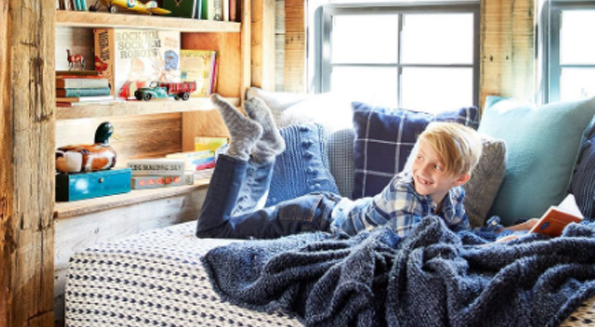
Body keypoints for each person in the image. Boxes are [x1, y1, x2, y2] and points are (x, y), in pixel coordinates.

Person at [196, 94, 487, 241]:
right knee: (213, 231)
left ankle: (266, 150)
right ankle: (241, 147)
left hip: (331, 208)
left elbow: (460, 236)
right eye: (420, 158)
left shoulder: (452, 198)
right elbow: (410, 251)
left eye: (437, 166)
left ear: (460, 179)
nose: (422, 170)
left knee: (241, 221)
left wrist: (511, 232)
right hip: (312, 216)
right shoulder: (405, 193)